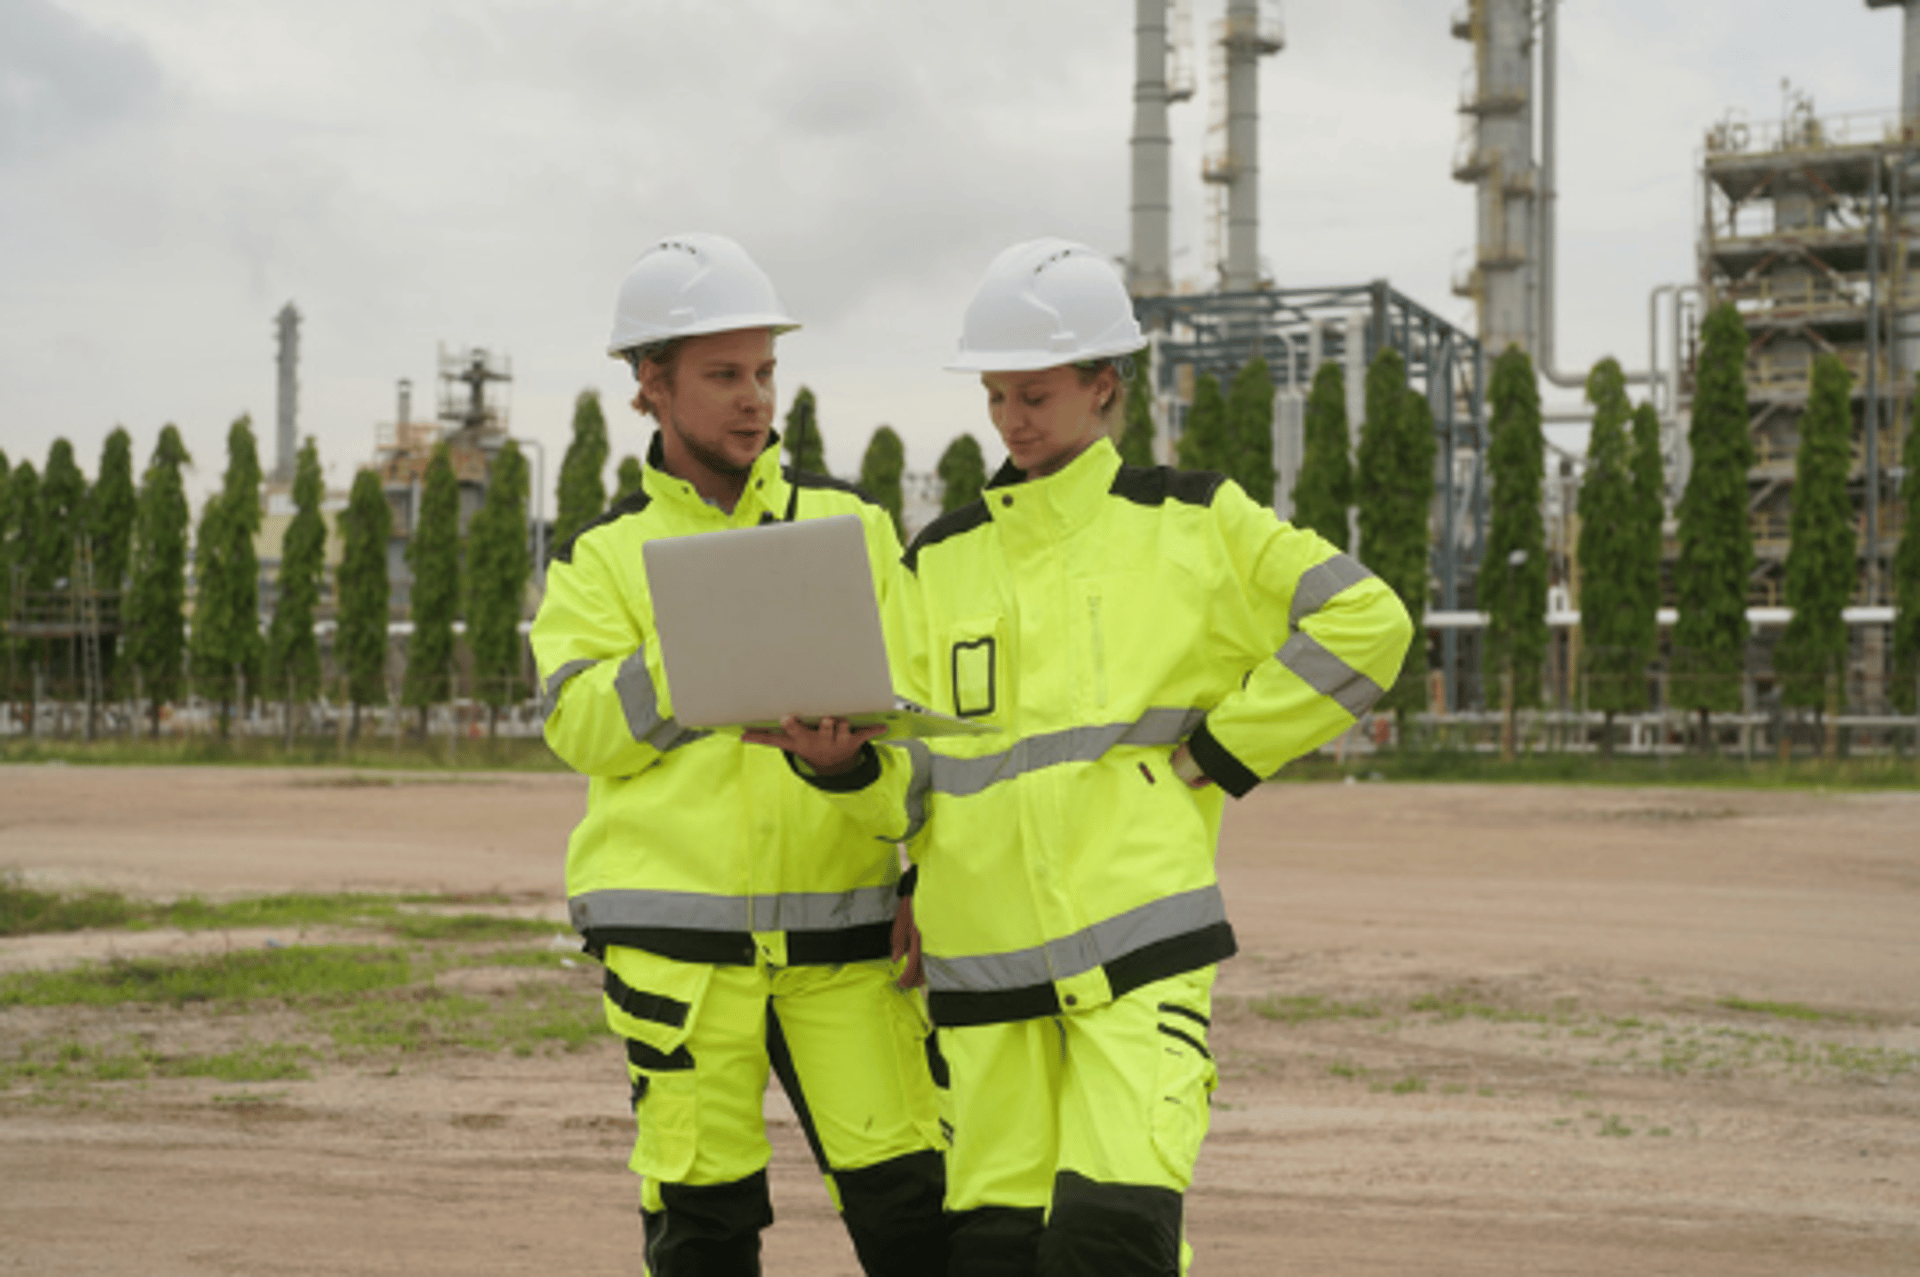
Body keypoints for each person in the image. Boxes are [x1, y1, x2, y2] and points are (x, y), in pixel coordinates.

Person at [751, 238, 1415, 1276]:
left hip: (1138, 965)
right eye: (997, 395)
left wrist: (1222, 751)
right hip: (984, 983)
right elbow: (918, 769)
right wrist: (840, 770)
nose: (1013, 418)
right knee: (997, 1257)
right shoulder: (942, 558)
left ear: (1106, 384)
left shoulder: (1194, 521)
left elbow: (1367, 620)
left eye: (1037, 393)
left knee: (1113, 1243)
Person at [532, 232, 948, 1276]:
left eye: (765, 372)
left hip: (846, 945)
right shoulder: (599, 557)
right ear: (649, 385)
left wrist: (847, 774)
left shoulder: (857, 528)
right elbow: (579, 726)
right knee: (703, 1233)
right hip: (676, 954)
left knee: (917, 1218)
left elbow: (919, 750)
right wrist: (707, 643)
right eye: (723, 375)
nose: (755, 398)